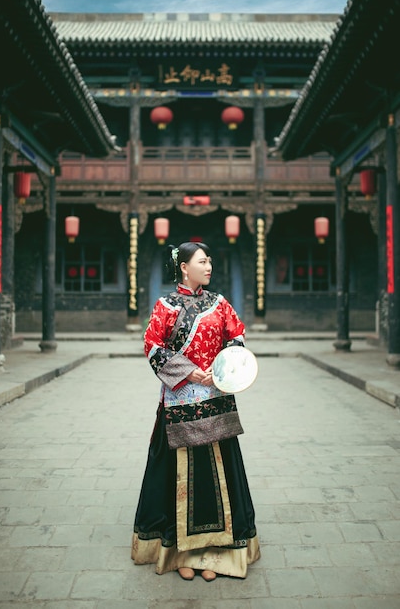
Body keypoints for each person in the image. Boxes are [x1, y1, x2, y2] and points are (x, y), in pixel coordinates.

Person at [131, 241, 260, 581]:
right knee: (181, 476)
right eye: (202, 261)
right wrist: (189, 372)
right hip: (180, 400)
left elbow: (237, 337)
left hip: (216, 397)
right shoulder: (165, 305)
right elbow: (152, 345)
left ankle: (217, 553)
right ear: (184, 267)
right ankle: (182, 553)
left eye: (211, 260)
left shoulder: (219, 303)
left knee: (219, 474)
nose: (209, 266)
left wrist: (224, 365)